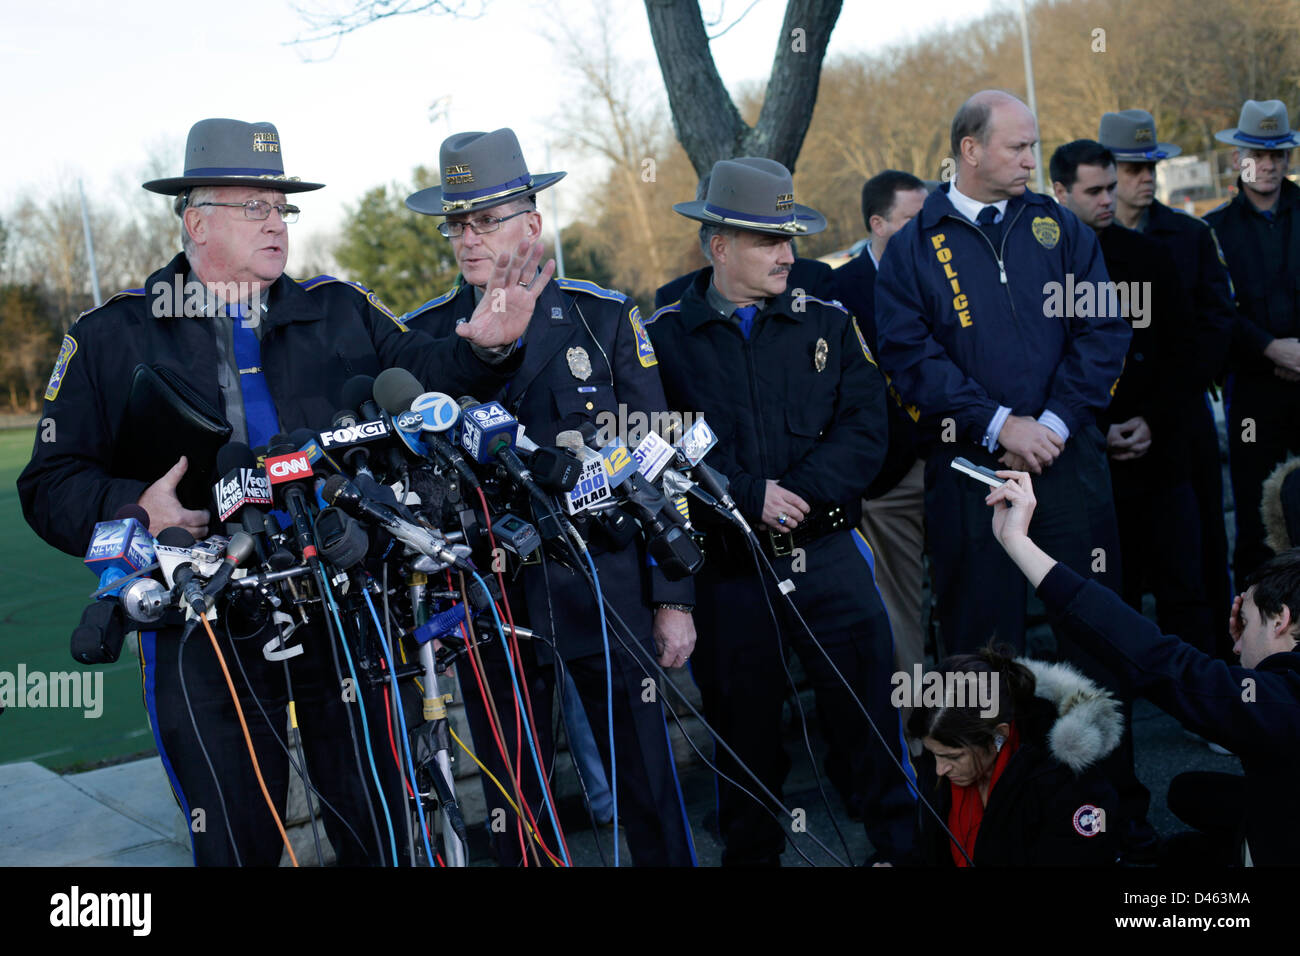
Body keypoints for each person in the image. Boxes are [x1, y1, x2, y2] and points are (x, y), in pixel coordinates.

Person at [17, 118, 546, 866]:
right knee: (235, 841)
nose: (277, 223)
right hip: (203, 622)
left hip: (343, 603)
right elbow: (48, 484)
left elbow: (426, 374)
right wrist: (135, 506)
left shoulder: (339, 307)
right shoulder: (112, 334)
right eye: (255, 207)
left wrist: (491, 346)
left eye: (283, 208)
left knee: (382, 827)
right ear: (196, 220)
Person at [402, 128, 697, 866]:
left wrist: (674, 597)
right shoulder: (428, 337)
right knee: (513, 791)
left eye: (486, 219)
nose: (467, 238)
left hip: (604, 578)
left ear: (532, 224)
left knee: (647, 778)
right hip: (490, 592)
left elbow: (658, 458)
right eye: (456, 223)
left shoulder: (601, 319)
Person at [647, 156, 918, 865]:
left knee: (868, 721)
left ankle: (898, 848)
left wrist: (791, 495)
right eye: (769, 240)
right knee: (745, 742)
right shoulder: (664, 338)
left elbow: (867, 429)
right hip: (729, 573)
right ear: (719, 247)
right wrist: (744, 496)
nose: (787, 254)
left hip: (828, 557)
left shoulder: (827, 319)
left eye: (789, 237)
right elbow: (655, 448)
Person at [875, 90, 1131, 657]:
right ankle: (999, 752)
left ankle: (1099, 752)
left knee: (1096, 637)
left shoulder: (1061, 229)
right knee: (984, 652)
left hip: (1068, 466)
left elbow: (1104, 330)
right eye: (1017, 147)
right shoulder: (912, 249)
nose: (1030, 161)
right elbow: (908, 358)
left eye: (1032, 147)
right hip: (970, 476)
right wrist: (999, 426)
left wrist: (1053, 426)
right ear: (970, 149)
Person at [987, 469, 1300, 867]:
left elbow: (1154, 657)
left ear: (1280, 620)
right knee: (1192, 795)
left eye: (1248, 623)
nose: (1236, 647)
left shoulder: (1280, 704)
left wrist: (1018, 542)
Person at [1050, 139, 1215, 655]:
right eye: (1093, 190)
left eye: (1110, 188)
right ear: (1060, 192)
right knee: (1103, 592)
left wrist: (1152, 421)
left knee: (1184, 585)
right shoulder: (1041, 266)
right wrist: (1095, 429)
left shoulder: (1150, 255)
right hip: (1083, 459)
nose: (1107, 200)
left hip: (1160, 452)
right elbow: (1041, 365)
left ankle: (1201, 709)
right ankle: (1114, 709)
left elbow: (1183, 350)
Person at [1099, 109, 1235, 652]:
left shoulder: (1189, 235)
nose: (1145, 177)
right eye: (1132, 167)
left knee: (1202, 553)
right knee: (1121, 565)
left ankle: (1215, 675)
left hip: (1181, 422)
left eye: (1151, 165)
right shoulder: (1081, 247)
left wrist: (1163, 410)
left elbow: (1214, 322)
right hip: (1109, 431)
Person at [824, 171, 929, 702]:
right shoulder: (838, 294)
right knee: (900, 609)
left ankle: (988, 723)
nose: (928, 229)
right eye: (914, 219)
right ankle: (920, 737)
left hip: (958, 463)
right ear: (878, 223)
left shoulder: (948, 275)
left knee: (975, 594)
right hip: (887, 480)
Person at [898, 648, 1120, 867]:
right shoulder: (941, 746)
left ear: (999, 736)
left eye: (954, 757)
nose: (940, 769)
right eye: (934, 754)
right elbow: (928, 850)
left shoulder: (1069, 784)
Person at [1204, 100, 1300, 588]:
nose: (1266, 165)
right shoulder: (1213, 230)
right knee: (1255, 515)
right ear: (1238, 155)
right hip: (1253, 396)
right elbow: (1217, 311)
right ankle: (1258, 629)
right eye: (1257, 154)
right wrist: (1269, 349)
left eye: (1276, 154)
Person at [653, 172, 833, 311]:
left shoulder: (822, 312)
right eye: (769, 243)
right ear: (719, 248)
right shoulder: (672, 306)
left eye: (787, 242)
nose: (788, 258)